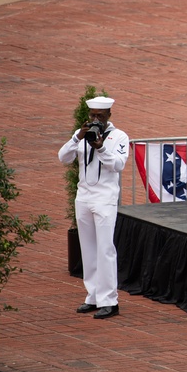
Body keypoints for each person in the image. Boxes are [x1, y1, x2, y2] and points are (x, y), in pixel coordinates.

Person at [58, 96, 129, 320]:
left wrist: (101, 149)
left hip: (105, 198)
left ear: (109, 115)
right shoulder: (82, 135)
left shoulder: (119, 137)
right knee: (88, 249)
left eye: (100, 115)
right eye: (93, 115)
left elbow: (118, 165)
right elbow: (63, 158)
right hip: (84, 197)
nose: (96, 119)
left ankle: (110, 301)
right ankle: (94, 296)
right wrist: (77, 137)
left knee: (105, 249)